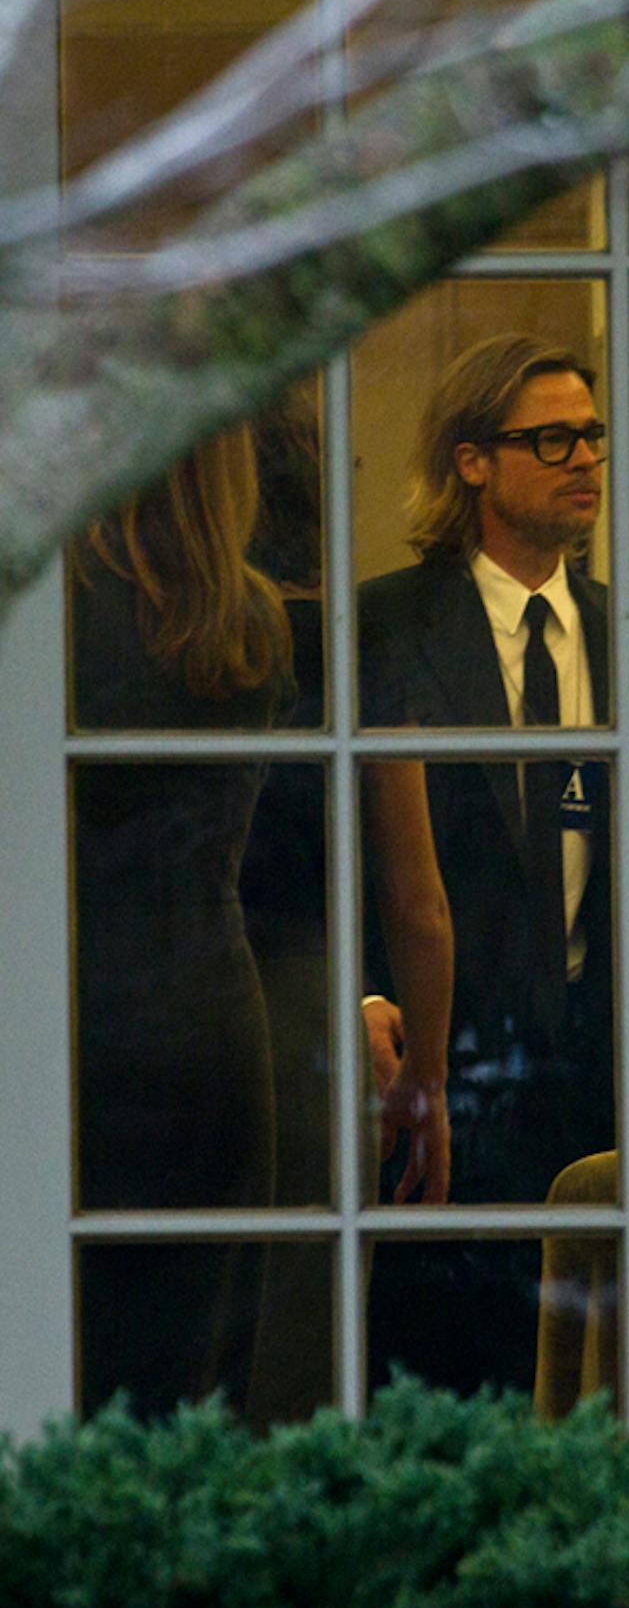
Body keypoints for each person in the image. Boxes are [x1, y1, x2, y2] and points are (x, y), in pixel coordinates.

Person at [357, 334, 629, 1396]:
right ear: (473, 461)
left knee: (583, 1376)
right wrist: (361, 996)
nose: (584, 460)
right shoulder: (386, 623)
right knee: (436, 1376)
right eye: (551, 440)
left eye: (592, 436)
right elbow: (326, 837)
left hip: (583, 1066)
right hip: (434, 1060)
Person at [240, 388, 456, 1424]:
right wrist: (428, 1078)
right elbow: (417, 903)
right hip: (306, 1015)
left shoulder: (154, 635)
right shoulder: (347, 638)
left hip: (149, 999)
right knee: (301, 1360)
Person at [69, 425, 292, 1419]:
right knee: (197, 1380)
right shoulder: (252, 620)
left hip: (82, 1013)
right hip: (214, 1015)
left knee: (71, 1370)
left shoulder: (62, 608)